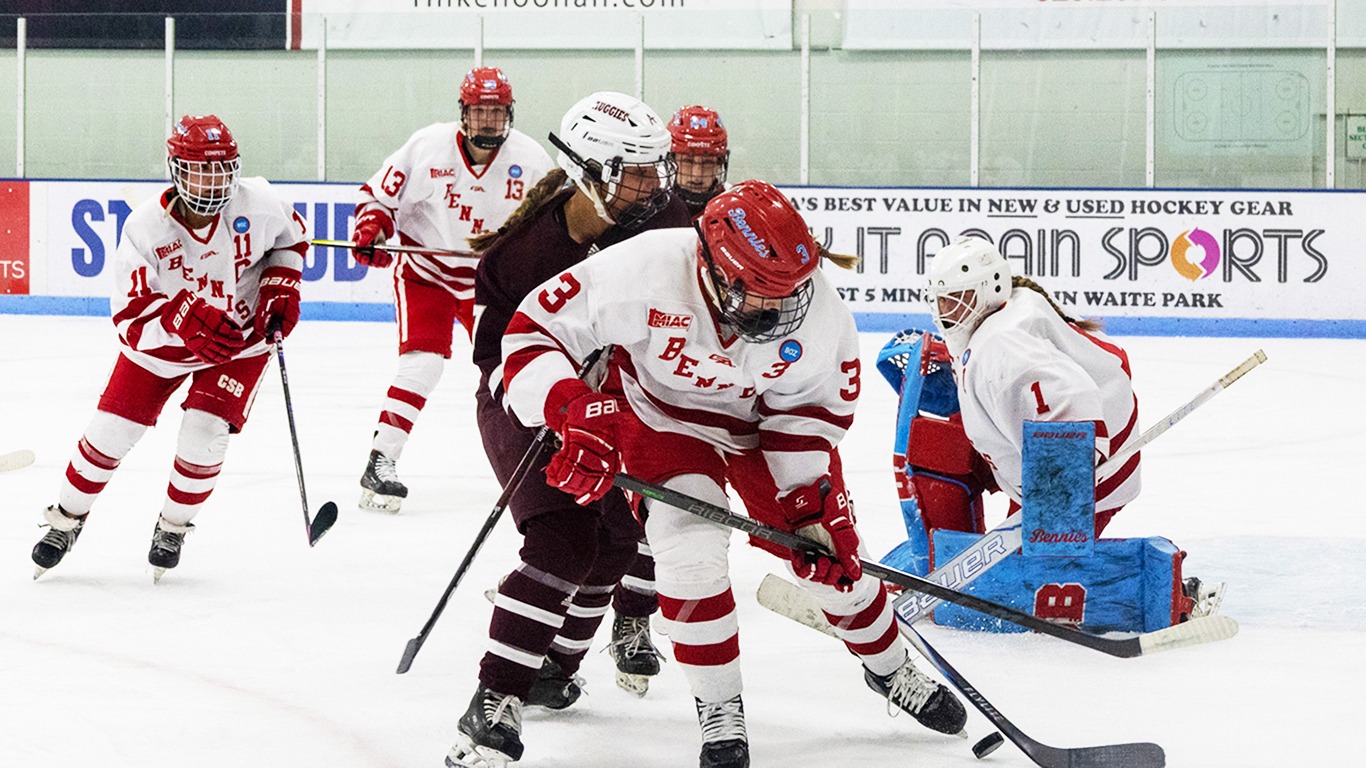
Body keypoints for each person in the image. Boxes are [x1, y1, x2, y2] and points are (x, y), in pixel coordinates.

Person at [496, 180, 967, 768]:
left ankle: (891, 668)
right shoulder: (644, 268)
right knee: (687, 552)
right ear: (714, 269)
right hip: (663, 420)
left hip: (765, 428)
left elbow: (806, 417)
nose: (778, 311)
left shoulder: (819, 313)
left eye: (787, 295)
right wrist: (569, 406)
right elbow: (531, 334)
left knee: (831, 560)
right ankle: (719, 709)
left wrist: (807, 506)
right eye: (760, 296)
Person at [444, 91, 691, 768]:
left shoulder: (664, 218)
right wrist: (561, 410)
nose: (653, 184)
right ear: (588, 171)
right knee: (561, 541)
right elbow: (496, 363)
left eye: (655, 167)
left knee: (616, 540)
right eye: (634, 171)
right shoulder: (521, 256)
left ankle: (554, 665)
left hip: (617, 405)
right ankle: (493, 701)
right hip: (526, 403)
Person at [30, 114, 306, 581]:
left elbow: (292, 238)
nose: (213, 183)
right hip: (162, 348)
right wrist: (181, 319)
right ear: (176, 169)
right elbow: (130, 321)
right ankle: (66, 520)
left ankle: (173, 527)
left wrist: (281, 284)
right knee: (109, 433)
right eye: (201, 170)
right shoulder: (145, 230)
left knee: (204, 432)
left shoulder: (260, 200)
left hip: (240, 343)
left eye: (221, 169)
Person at [922, 234, 1222, 616]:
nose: (944, 311)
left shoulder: (1000, 345)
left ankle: (1173, 596)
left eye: (955, 298)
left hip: (1098, 460)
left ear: (987, 290)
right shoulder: (999, 315)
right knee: (1021, 566)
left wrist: (1064, 487)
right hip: (1062, 448)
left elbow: (1072, 398)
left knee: (1038, 588)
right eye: (939, 299)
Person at [351, 66, 553, 513]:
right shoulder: (428, 147)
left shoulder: (533, 159)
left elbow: (553, 224)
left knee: (508, 369)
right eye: (480, 112)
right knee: (422, 365)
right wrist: (373, 227)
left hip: (488, 282)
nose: (488, 122)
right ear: (463, 113)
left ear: (510, 115)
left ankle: (533, 465)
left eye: (496, 113)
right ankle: (381, 459)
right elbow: (379, 199)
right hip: (426, 271)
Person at [667, 104, 730, 217]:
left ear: (719, 163)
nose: (697, 176)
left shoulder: (733, 208)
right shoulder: (653, 208)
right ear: (672, 160)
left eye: (708, 163)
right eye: (688, 161)